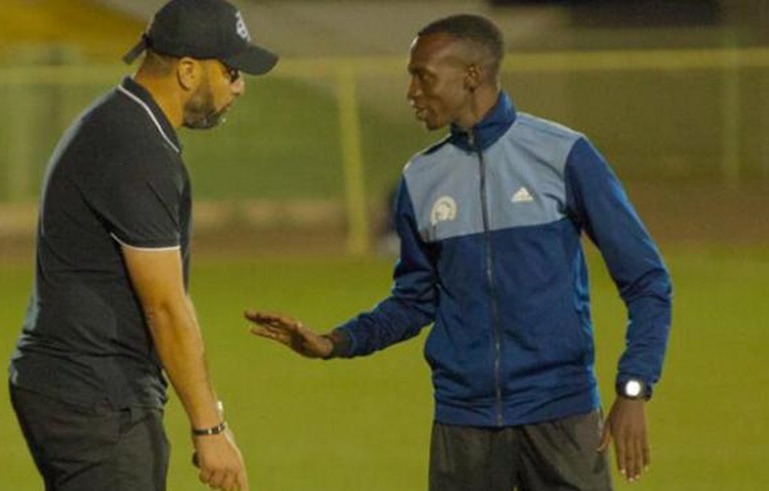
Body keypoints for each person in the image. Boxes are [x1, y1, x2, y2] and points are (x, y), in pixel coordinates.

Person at [246, 14, 672, 491]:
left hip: (562, 417)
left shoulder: (564, 155)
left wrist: (634, 388)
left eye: (421, 75)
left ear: (471, 75)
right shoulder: (419, 179)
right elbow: (415, 299)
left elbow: (647, 281)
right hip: (462, 424)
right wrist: (336, 342)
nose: (411, 91)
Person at [8, 1, 277, 490]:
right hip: (94, 398)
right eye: (232, 71)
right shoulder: (136, 148)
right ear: (189, 70)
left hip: (76, 388)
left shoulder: (121, 122)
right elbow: (166, 307)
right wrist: (209, 427)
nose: (239, 86)